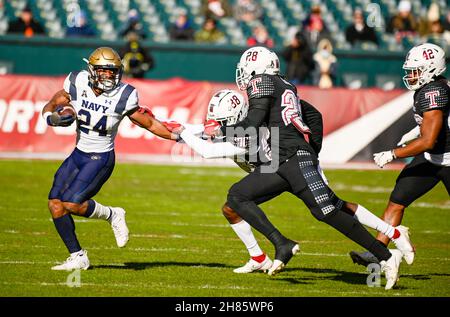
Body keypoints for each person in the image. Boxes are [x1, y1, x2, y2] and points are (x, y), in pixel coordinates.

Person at [202, 46, 410, 289]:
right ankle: (281, 244)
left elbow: (253, 123)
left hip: (291, 156)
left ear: (257, 69)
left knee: (328, 211)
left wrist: (220, 131)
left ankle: (386, 255)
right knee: (238, 196)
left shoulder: (262, 81)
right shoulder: (285, 85)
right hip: (283, 159)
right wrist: (312, 150)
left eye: (246, 69)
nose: (244, 75)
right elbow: (313, 116)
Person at [167, 89, 414, 279]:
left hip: (288, 166)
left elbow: (208, 151)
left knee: (333, 207)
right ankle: (258, 257)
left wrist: (184, 134)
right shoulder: (246, 119)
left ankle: (392, 235)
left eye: (223, 121)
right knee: (232, 206)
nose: (219, 125)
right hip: (274, 169)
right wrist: (178, 128)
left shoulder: (248, 131)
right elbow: (208, 129)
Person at [42, 47, 178, 271]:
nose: (109, 76)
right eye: (104, 71)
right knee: (55, 204)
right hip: (78, 154)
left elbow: (150, 123)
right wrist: (51, 118)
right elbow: (53, 103)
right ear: (92, 70)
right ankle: (78, 256)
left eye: (112, 71)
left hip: (101, 157)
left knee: (71, 203)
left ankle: (113, 214)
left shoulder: (124, 94)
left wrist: (176, 136)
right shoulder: (77, 81)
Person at [350, 43, 450, 267]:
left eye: (415, 70)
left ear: (431, 69)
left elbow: (428, 140)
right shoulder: (435, 87)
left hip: (446, 158)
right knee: (397, 202)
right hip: (432, 159)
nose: (411, 75)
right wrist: (416, 129)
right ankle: (378, 252)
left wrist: (393, 153)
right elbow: (435, 124)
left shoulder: (433, 91)